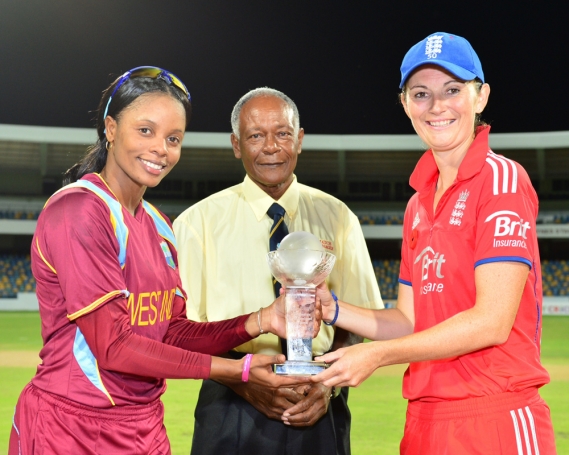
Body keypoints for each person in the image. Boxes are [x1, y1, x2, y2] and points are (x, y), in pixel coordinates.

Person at [9, 67, 312, 455]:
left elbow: (171, 332)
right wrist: (239, 370)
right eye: (145, 131)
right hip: (72, 428)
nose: (160, 149)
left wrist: (262, 320)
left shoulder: (159, 226)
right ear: (111, 129)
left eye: (173, 139)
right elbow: (113, 347)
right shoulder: (81, 210)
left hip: (144, 426)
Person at [308, 33, 558, 454]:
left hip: (494, 416)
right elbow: (409, 319)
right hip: (425, 420)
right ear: (405, 104)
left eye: (453, 90)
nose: (437, 106)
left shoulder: (503, 180)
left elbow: (491, 321)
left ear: (481, 97)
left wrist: (377, 356)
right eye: (421, 93)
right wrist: (333, 309)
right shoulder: (416, 204)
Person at [173, 87, 383, 454]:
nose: (271, 146)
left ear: (299, 140)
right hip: (230, 402)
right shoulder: (197, 223)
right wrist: (241, 381)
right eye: (256, 136)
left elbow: (357, 321)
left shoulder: (338, 218)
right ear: (237, 144)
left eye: (283, 133)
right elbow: (183, 332)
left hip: (318, 398)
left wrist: (328, 384)